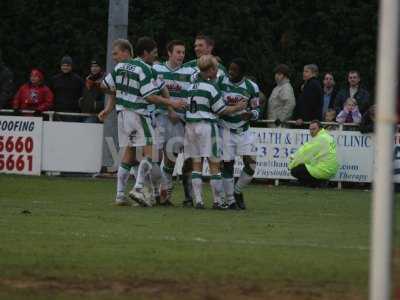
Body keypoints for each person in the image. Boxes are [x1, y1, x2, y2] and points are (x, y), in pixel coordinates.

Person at [99, 37, 186, 207]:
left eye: (115, 54)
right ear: (145, 53)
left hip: (122, 116)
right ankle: (139, 188)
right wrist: (172, 104)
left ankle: (120, 195)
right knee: (151, 154)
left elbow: (105, 86)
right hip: (138, 114)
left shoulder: (119, 67)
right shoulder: (144, 69)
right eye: (153, 53)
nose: (155, 56)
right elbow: (151, 96)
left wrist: (109, 108)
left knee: (128, 155)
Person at [184, 55, 247, 209]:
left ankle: (198, 201)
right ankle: (217, 201)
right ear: (211, 69)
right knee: (214, 165)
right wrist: (238, 107)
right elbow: (221, 110)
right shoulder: (210, 87)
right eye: (216, 67)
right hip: (206, 126)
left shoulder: (191, 87)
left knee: (196, 164)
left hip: (190, 126)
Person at [152, 40, 194, 206]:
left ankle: (165, 195)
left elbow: (192, 96)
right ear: (169, 53)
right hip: (160, 118)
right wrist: (170, 108)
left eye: (183, 53)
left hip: (179, 121)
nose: (181, 55)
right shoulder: (157, 70)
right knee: (155, 157)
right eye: (178, 52)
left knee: (171, 158)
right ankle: (155, 192)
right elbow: (152, 94)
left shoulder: (190, 72)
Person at [218, 58, 260, 209]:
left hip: (244, 131)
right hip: (226, 130)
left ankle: (237, 191)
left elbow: (256, 109)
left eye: (234, 70)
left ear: (242, 72)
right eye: (230, 69)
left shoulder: (251, 86)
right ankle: (230, 200)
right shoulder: (221, 82)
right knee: (227, 165)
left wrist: (251, 115)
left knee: (252, 165)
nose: (230, 72)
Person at [288, 120, 339, 187]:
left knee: (295, 170)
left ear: (320, 129)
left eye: (314, 129)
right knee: (305, 166)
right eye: (310, 129)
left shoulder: (320, 138)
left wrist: (292, 164)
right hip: (331, 169)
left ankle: (317, 183)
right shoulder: (327, 136)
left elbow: (305, 155)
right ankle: (319, 182)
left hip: (325, 169)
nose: (311, 131)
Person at [50, 55, 84, 121]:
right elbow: (51, 95)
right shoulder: (54, 79)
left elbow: (82, 95)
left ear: (71, 66)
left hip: (73, 114)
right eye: (63, 65)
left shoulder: (78, 79)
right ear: (60, 66)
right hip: (57, 113)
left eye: (67, 65)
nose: (65, 67)